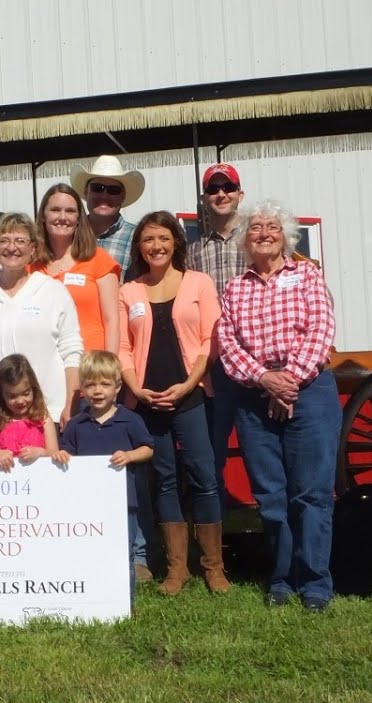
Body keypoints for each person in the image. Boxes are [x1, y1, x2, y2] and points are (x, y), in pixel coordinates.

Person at [218, 199, 341, 612]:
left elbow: (321, 329)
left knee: (311, 493)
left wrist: (288, 381)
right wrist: (265, 380)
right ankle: (282, 578)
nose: (264, 233)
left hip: (310, 393)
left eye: (272, 227)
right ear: (244, 239)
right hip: (255, 396)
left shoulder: (307, 275)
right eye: (255, 228)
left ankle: (316, 583)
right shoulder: (235, 289)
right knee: (271, 495)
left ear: (286, 236)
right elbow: (228, 344)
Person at [118, 211, 229, 596]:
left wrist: (187, 384)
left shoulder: (198, 283)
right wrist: (136, 388)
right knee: (164, 481)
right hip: (148, 400)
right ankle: (176, 568)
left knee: (204, 477)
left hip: (191, 396)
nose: (156, 246)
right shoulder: (129, 291)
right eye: (148, 239)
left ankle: (213, 566)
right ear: (139, 247)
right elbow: (123, 347)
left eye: (163, 238)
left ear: (176, 243)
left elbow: (211, 340)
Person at [0, 213, 84, 427]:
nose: (11, 247)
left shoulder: (54, 292)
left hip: (48, 416)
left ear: (33, 248)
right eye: (4, 240)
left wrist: (71, 404)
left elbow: (72, 353)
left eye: (20, 240)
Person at [59, 351, 154, 596]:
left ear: (118, 386)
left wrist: (130, 455)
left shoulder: (130, 420)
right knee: (90, 549)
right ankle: (94, 595)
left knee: (124, 550)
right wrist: (62, 456)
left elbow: (148, 449)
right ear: (82, 389)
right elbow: (66, 453)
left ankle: (124, 599)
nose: (98, 391)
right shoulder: (75, 425)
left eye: (105, 384)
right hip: (87, 503)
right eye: (91, 385)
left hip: (124, 502)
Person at [186, 163, 248, 508]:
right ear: (204, 198)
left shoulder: (256, 240)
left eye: (228, 187)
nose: (221, 194)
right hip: (211, 361)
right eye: (213, 189)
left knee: (259, 445)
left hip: (253, 358)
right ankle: (215, 521)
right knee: (212, 448)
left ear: (240, 194)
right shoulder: (192, 252)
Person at [31, 183, 121, 355]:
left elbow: (112, 321)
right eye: (55, 210)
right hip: (43, 362)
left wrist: (111, 363)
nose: (62, 217)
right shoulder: (30, 264)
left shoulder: (99, 260)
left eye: (70, 211)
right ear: (43, 215)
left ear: (79, 218)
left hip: (90, 364)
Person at [0, 354, 70, 472]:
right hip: (5, 479)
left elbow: (55, 453)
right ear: (1, 394)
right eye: (12, 396)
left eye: (26, 393)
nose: (20, 401)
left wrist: (41, 452)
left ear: (33, 389)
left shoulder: (44, 420)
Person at [70, 155, 146, 278]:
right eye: (97, 188)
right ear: (86, 191)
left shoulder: (138, 237)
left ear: (122, 196)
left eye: (113, 190)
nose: (104, 196)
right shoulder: (69, 234)